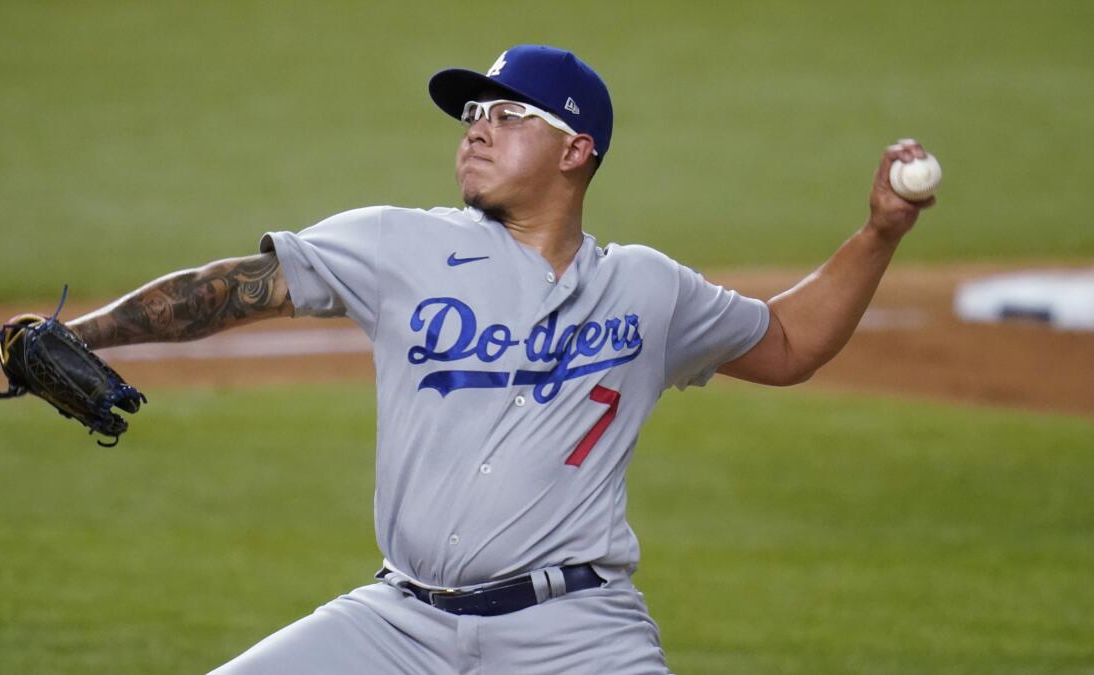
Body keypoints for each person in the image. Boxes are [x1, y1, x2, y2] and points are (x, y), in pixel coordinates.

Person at [65, 44, 934, 674]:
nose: (476, 131)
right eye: (471, 115)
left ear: (575, 149)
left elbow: (787, 344)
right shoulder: (398, 243)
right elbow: (233, 286)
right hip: (397, 625)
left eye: (507, 114)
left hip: (577, 634)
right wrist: (83, 337)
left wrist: (879, 232)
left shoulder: (646, 290)